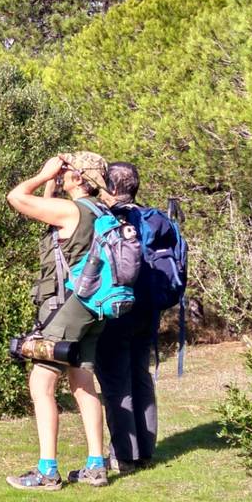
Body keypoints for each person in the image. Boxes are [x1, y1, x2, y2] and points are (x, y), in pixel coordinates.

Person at [4, 151, 112, 490]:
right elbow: (52, 232)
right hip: (94, 308)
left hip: (69, 308)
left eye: (67, 171)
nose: (62, 174)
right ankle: (96, 465)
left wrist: (42, 173)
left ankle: (47, 471)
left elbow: (16, 198)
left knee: (41, 383)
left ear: (79, 179)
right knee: (83, 384)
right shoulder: (100, 212)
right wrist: (52, 184)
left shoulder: (72, 210)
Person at [93, 162, 161, 472]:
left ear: (113, 188)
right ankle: (144, 452)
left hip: (120, 309)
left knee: (117, 382)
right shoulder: (155, 218)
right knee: (140, 376)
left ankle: (124, 456)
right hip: (150, 309)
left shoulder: (110, 218)